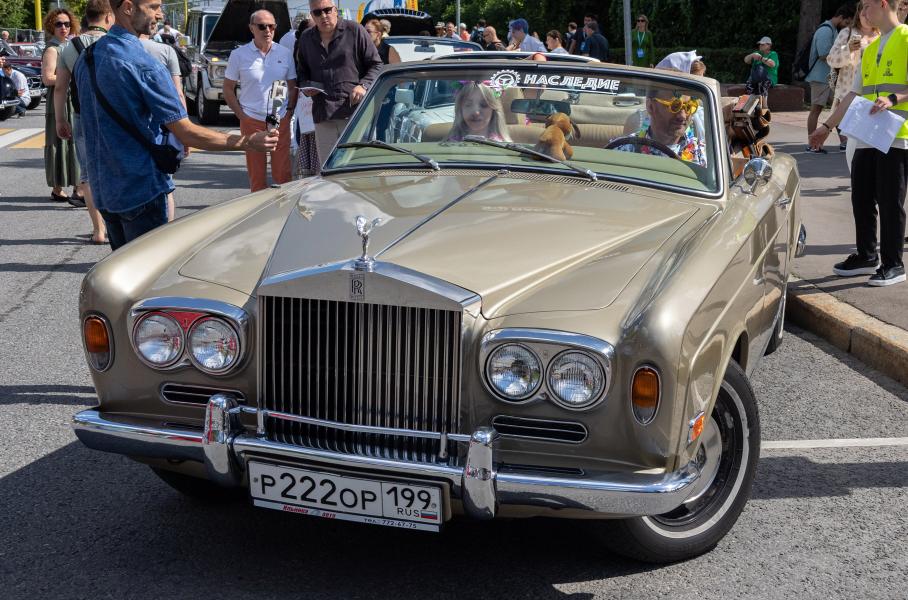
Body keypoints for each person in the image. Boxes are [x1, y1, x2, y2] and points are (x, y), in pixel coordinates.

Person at [74, 0, 278, 251]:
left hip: (104, 190)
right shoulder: (143, 64)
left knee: (125, 268)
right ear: (127, 7)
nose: (160, 14)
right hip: (140, 190)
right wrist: (248, 142)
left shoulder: (88, 57)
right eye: (153, 6)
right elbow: (187, 132)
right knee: (151, 271)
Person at [808, 0, 908, 286]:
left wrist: (893, 99)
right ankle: (866, 255)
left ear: (883, 4)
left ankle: (894, 264)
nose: (862, 13)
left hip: (896, 134)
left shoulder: (905, 38)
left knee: (890, 201)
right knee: (861, 196)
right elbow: (853, 94)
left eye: (867, 7)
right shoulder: (871, 47)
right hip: (867, 133)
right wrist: (826, 127)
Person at [54, 0, 113, 244]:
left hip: (82, 115)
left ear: (87, 18)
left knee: (88, 173)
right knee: (115, 168)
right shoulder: (116, 43)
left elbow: (60, 87)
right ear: (108, 16)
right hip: (114, 117)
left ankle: (98, 230)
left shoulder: (70, 47)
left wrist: (60, 119)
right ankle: (116, 224)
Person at [297, 0, 382, 162]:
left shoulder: (355, 30)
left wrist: (363, 85)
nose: (323, 15)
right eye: (317, 12)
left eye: (327, 10)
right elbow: (302, 72)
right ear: (312, 15)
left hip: (354, 114)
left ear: (336, 10)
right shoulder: (306, 38)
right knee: (328, 167)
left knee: (359, 166)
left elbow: (376, 65)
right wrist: (306, 86)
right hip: (323, 114)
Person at [224, 9, 296, 193]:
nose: (268, 30)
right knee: (257, 176)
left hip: (279, 120)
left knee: (283, 174)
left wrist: (289, 112)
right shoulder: (239, 55)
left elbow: (292, 86)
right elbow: (228, 89)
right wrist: (242, 117)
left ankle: (283, 208)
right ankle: (259, 209)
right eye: (262, 26)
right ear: (251, 28)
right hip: (252, 120)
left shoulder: (285, 53)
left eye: (272, 26)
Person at [140, 23, 188, 220]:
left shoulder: (113, 50)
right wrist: (185, 134)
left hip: (129, 127)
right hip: (161, 126)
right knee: (165, 182)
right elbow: (178, 94)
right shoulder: (165, 51)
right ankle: (167, 229)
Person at [42, 8, 83, 206]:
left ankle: (71, 187)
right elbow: (47, 78)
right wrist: (71, 76)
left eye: (67, 24)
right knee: (59, 142)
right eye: (59, 24)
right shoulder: (53, 49)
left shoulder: (68, 46)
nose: (63, 27)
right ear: (52, 26)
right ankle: (62, 188)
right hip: (59, 98)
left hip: (68, 96)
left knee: (70, 142)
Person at [828, 2, 878, 157]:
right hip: (849, 95)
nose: (867, 16)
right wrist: (848, 49)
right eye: (864, 12)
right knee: (854, 145)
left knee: (870, 144)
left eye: (870, 11)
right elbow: (831, 59)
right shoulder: (847, 32)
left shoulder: (882, 35)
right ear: (859, 14)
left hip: (873, 96)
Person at [614, 88, 706, 167]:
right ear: (650, 106)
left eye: (689, 107)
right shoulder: (623, 149)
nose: (682, 116)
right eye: (674, 106)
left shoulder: (703, 154)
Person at [806, 5, 854, 152]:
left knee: (838, 108)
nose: (847, 26)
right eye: (847, 22)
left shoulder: (833, 30)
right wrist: (844, 55)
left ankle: (844, 142)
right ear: (841, 17)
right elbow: (824, 54)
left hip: (829, 78)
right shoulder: (825, 30)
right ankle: (812, 143)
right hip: (820, 77)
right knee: (816, 109)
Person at [290, 16, 319, 178]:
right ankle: (307, 173)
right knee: (305, 134)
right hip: (306, 101)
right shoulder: (301, 48)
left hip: (319, 102)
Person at [444, 81, 510, 142]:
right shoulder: (449, 145)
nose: (476, 112)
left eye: (484, 105)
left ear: (493, 110)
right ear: (460, 109)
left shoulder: (503, 147)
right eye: (468, 104)